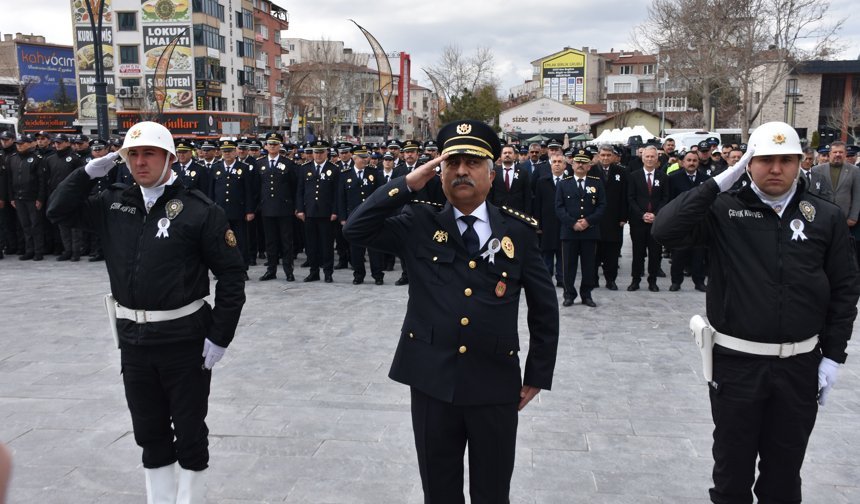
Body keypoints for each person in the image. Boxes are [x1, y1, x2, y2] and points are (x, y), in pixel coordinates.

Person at [343, 120, 559, 503]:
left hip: (494, 382)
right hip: (431, 379)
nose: (462, 171)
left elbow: (544, 309)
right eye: (452, 162)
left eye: (473, 162)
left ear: (491, 174)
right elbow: (356, 229)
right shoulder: (418, 222)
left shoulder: (518, 232)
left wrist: (538, 373)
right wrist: (407, 183)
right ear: (438, 172)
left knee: (492, 492)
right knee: (439, 491)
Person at [652, 121, 859, 504]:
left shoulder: (824, 216)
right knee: (732, 476)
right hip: (737, 365)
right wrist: (720, 181)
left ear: (801, 163)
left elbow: (845, 290)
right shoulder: (723, 209)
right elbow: (665, 230)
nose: (775, 169)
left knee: (783, 479)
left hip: (799, 367)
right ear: (748, 163)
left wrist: (833, 356)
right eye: (764, 160)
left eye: (786, 160)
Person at [46, 121, 247, 504]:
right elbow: (58, 211)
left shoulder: (199, 210)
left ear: (169, 158)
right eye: (132, 154)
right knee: (149, 431)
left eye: (149, 153)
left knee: (189, 431)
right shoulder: (113, 203)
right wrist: (87, 173)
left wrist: (221, 336)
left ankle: (189, 499)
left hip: (184, 339)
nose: (140, 162)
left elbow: (232, 276)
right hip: (134, 339)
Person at [555, 149, 605, 307]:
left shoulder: (596, 183)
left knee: (589, 266)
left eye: (584, 162)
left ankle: (587, 294)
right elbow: (558, 207)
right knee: (568, 266)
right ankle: (569, 294)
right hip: (570, 232)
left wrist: (588, 221)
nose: (581, 165)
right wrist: (573, 223)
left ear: (589, 166)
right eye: (578, 162)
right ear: (572, 164)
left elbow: (602, 206)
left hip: (589, 232)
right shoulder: (564, 184)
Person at [338, 144, 384, 284]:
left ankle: (378, 275)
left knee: (374, 248)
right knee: (356, 249)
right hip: (354, 217)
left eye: (366, 157)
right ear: (354, 158)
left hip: (371, 217)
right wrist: (342, 218)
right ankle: (358, 275)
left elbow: (380, 194)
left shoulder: (374, 173)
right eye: (362, 157)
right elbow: (341, 198)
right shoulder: (345, 175)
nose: (365, 160)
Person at [296, 139, 340, 283]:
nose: (318, 155)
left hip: (326, 213)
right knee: (311, 244)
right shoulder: (305, 168)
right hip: (309, 213)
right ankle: (313, 271)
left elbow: (336, 193)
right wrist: (300, 209)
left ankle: (328, 272)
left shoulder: (334, 169)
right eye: (316, 152)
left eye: (321, 152)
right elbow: (300, 191)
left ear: (327, 152)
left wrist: (335, 211)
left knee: (327, 245)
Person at [666, 150, 710, 291]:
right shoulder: (673, 178)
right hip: (681, 223)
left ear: (698, 162)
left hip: (700, 222)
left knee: (699, 254)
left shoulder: (706, 178)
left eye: (694, 160)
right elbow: (669, 201)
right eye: (689, 160)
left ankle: (699, 282)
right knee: (678, 254)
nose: (691, 163)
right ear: (682, 162)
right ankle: (676, 281)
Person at [627, 145, 669, 291]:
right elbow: (630, 198)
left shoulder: (663, 177)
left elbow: (665, 198)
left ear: (657, 158)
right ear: (642, 158)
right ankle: (635, 280)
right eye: (647, 156)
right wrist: (641, 214)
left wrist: (655, 214)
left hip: (656, 222)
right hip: (638, 221)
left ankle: (653, 281)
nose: (650, 159)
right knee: (638, 252)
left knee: (655, 253)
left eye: (652, 156)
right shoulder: (633, 176)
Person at [593, 144, 629, 290]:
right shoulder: (592, 171)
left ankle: (610, 280)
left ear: (614, 156)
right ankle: (593, 279)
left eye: (609, 155)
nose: (606, 158)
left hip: (614, 219)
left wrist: (623, 217)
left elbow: (625, 196)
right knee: (594, 253)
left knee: (612, 253)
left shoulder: (621, 172)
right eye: (603, 155)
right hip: (595, 220)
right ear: (598, 156)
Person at [7, 133, 47, 261]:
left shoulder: (36, 158)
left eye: (22, 143)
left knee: (35, 225)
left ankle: (38, 251)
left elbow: (42, 180)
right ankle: (29, 250)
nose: (19, 146)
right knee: (25, 225)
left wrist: (40, 198)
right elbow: (9, 180)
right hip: (19, 197)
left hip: (32, 197)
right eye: (18, 144)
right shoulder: (12, 158)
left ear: (29, 144)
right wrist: (11, 197)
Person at [532, 152, 566, 286]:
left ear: (564, 165)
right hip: (547, 224)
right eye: (554, 162)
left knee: (562, 253)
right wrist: (537, 225)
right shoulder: (542, 182)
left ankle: (561, 278)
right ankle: (547, 278)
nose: (557, 164)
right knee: (546, 254)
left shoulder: (568, 181)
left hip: (564, 223)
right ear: (551, 165)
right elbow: (537, 205)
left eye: (559, 162)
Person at [489, 144, 531, 213]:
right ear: (501, 156)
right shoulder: (494, 172)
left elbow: (527, 195)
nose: (507, 155)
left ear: (515, 156)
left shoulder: (523, 172)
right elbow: (490, 194)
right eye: (505, 153)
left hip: (518, 213)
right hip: (498, 211)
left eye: (510, 153)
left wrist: (527, 213)